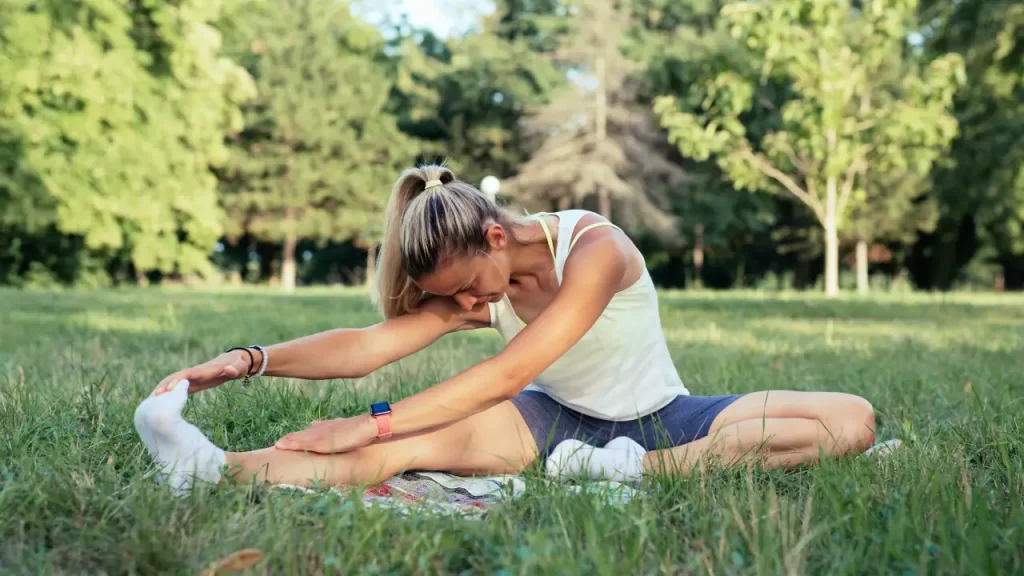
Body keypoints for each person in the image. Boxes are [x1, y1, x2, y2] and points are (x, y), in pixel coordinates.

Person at [134, 165, 879, 495]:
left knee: (850, 422)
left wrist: (365, 422)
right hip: (546, 423)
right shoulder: (474, 283)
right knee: (399, 449)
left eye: (463, 291)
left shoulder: (598, 250)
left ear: (495, 239)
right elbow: (367, 346)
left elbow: (506, 372)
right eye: (447, 299)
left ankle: (624, 475)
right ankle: (214, 468)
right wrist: (246, 359)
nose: (462, 307)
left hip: (665, 417)